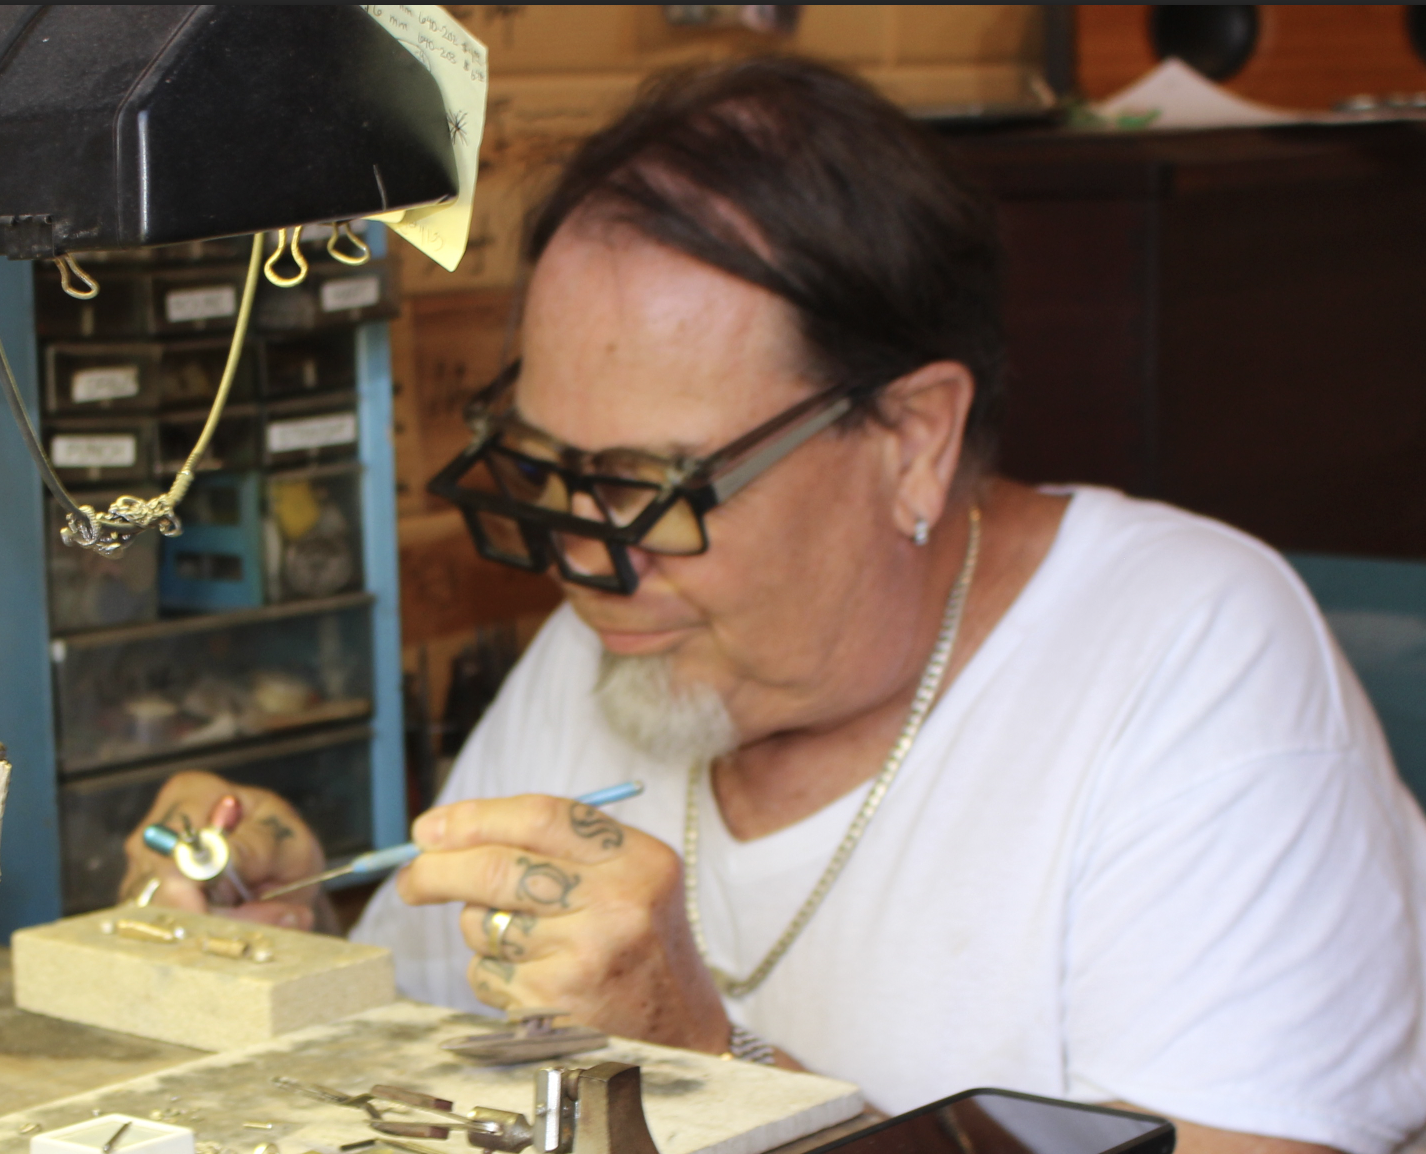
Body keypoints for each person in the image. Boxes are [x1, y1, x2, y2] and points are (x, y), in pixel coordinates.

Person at [122, 57, 1426, 1154]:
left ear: (912, 437)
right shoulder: (622, 641)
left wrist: (703, 1059)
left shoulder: (1186, 667)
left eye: (656, 487)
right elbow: (436, 1031)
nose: (587, 568)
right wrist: (301, 930)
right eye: (552, 473)